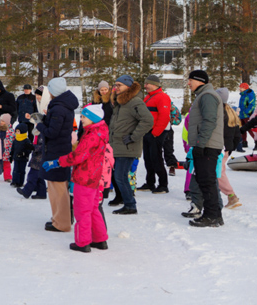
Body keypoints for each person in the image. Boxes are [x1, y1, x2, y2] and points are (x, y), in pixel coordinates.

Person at [44, 105, 111, 253]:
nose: (81, 120)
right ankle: (100, 239)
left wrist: (57, 162)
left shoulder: (91, 135)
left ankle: (82, 242)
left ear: (93, 119)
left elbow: (78, 156)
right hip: (94, 176)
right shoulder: (100, 131)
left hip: (84, 177)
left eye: (84, 117)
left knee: (82, 211)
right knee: (93, 209)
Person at [36, 77, 78, 232]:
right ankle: (60, 219)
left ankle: (61, 223)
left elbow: (53, 132)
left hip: (57, 151)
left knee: (57, 189)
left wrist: (39, 124)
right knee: (57, 188)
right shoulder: (62, 105)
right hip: (59, 149)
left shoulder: (59, 108)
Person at [107, 74, 153, 215]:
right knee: (117, 175)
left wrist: (133, 137)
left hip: (127, 146)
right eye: (115, 85)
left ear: (127, 86)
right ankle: (122, 199)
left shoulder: (135, 102)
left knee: (121, 176)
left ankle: (130, 205)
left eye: (119, 85)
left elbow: (148, 120)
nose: (116, 88)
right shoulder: (121, 102)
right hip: (117, 145)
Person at [184, 69, 225, 227]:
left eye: (191, 80)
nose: (189, 83)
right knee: (205, 181)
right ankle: (216, 215)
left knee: (206, 182)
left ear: (200, 81)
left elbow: (209, 121)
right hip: (205, 144)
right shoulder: (203, 95)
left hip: (207, 145)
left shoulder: (207, 96)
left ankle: (211, 216)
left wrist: (201, 143)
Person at [140, 75, 172, 193]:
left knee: (156, 158)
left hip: (156, 132)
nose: (146, 86)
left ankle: (163, 184)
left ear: (155, 85)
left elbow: (164, 117)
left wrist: (155, 133)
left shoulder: (162, 97)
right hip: (148, 131)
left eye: (148, 84)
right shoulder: (149, 97)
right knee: (148, 158)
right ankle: (150, 182)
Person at [216, 88, 242, 209]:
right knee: (217, 171)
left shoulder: (219, 112)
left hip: (219, 147)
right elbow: (238, 135)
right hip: (225, 148)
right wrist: (230, 148)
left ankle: (232, 196)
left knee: (218, 172)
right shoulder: (231, 112)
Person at [237, 82, 257, 151]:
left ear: (245, 88)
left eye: (241, 87)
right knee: (242, 129)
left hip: (247, 115)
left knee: (250, 129)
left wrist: (247, 112)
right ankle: (244, 141)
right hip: (241, 115)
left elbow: (252, 105)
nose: (240, 89)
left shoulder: (250, 95)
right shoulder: (242, 95)